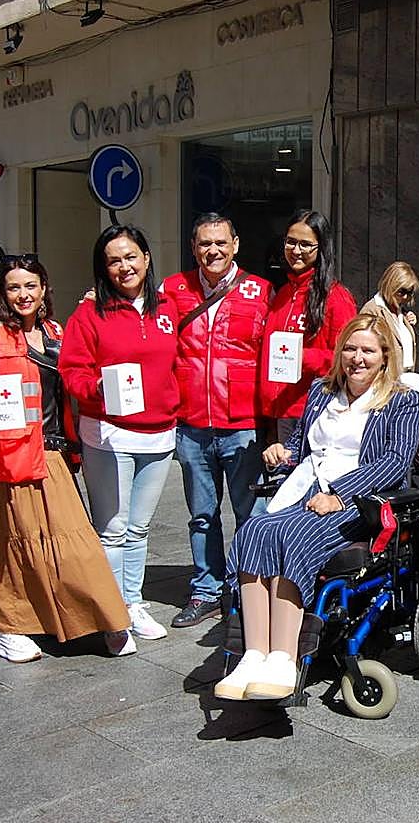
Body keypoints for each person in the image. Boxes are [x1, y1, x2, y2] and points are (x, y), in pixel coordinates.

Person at [214, 314, 419, 700]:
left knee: (290, 535)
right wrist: (284, 452)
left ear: (385, 356)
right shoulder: (322, 391)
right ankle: (254, 653)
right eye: (350, 348)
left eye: (367, 351)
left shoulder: (401, 400)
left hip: (357, 503)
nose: (357, 358)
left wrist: (340, 495)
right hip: (304, 490)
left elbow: (395, 461)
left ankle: (283, 656)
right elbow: (306, 449)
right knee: (254, 531)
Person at [0, 255, 134, 662]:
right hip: (11, 457)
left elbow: (76, 375)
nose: (23, 295)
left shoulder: (57, 332)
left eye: (30, 286)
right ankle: (13, 627)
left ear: (44, 289)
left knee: (73, 542)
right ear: (2, 293)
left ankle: (102, 618)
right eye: (14, 287)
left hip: (56, 452)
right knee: (13, 544)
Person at [60, 225, 180, 642]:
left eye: (131, 256)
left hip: (160, 435)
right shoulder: (89, 314)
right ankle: (113, 614)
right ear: (103, 269)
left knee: (139, 530)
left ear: (147, 258)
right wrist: (96, 389)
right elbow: (71, 370)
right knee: (111, 529)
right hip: (109, 435)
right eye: (114, 260)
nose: (124, 266)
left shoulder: (169, 309)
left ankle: (133, 602)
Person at [162, 213, 273, 628]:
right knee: (202, 514)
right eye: (205, 244)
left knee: (252, 515)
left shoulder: (260, 291)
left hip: (242, 423)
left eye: (221, 243)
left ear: (236, 244)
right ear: (194, 247)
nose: (213, 251)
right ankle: (206, 589)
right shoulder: (172, 290)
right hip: (192, 423)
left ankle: (248, 589)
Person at [259, 210, 357, 454]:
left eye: (306, 244)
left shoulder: (336, 298)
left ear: (321, 247)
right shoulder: (281, 294)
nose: (296, 250)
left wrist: (301, 357)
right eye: (290, 242)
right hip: (282, 412)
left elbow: (349, 357)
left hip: (316, 410)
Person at [361, 261, 419, 374]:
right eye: (402, 291)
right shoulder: (372, 310)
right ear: (391, 286)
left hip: (406, 376)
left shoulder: (401, 312)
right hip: (383, 379)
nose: (406, 297)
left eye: (410, 292)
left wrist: (408, 325)